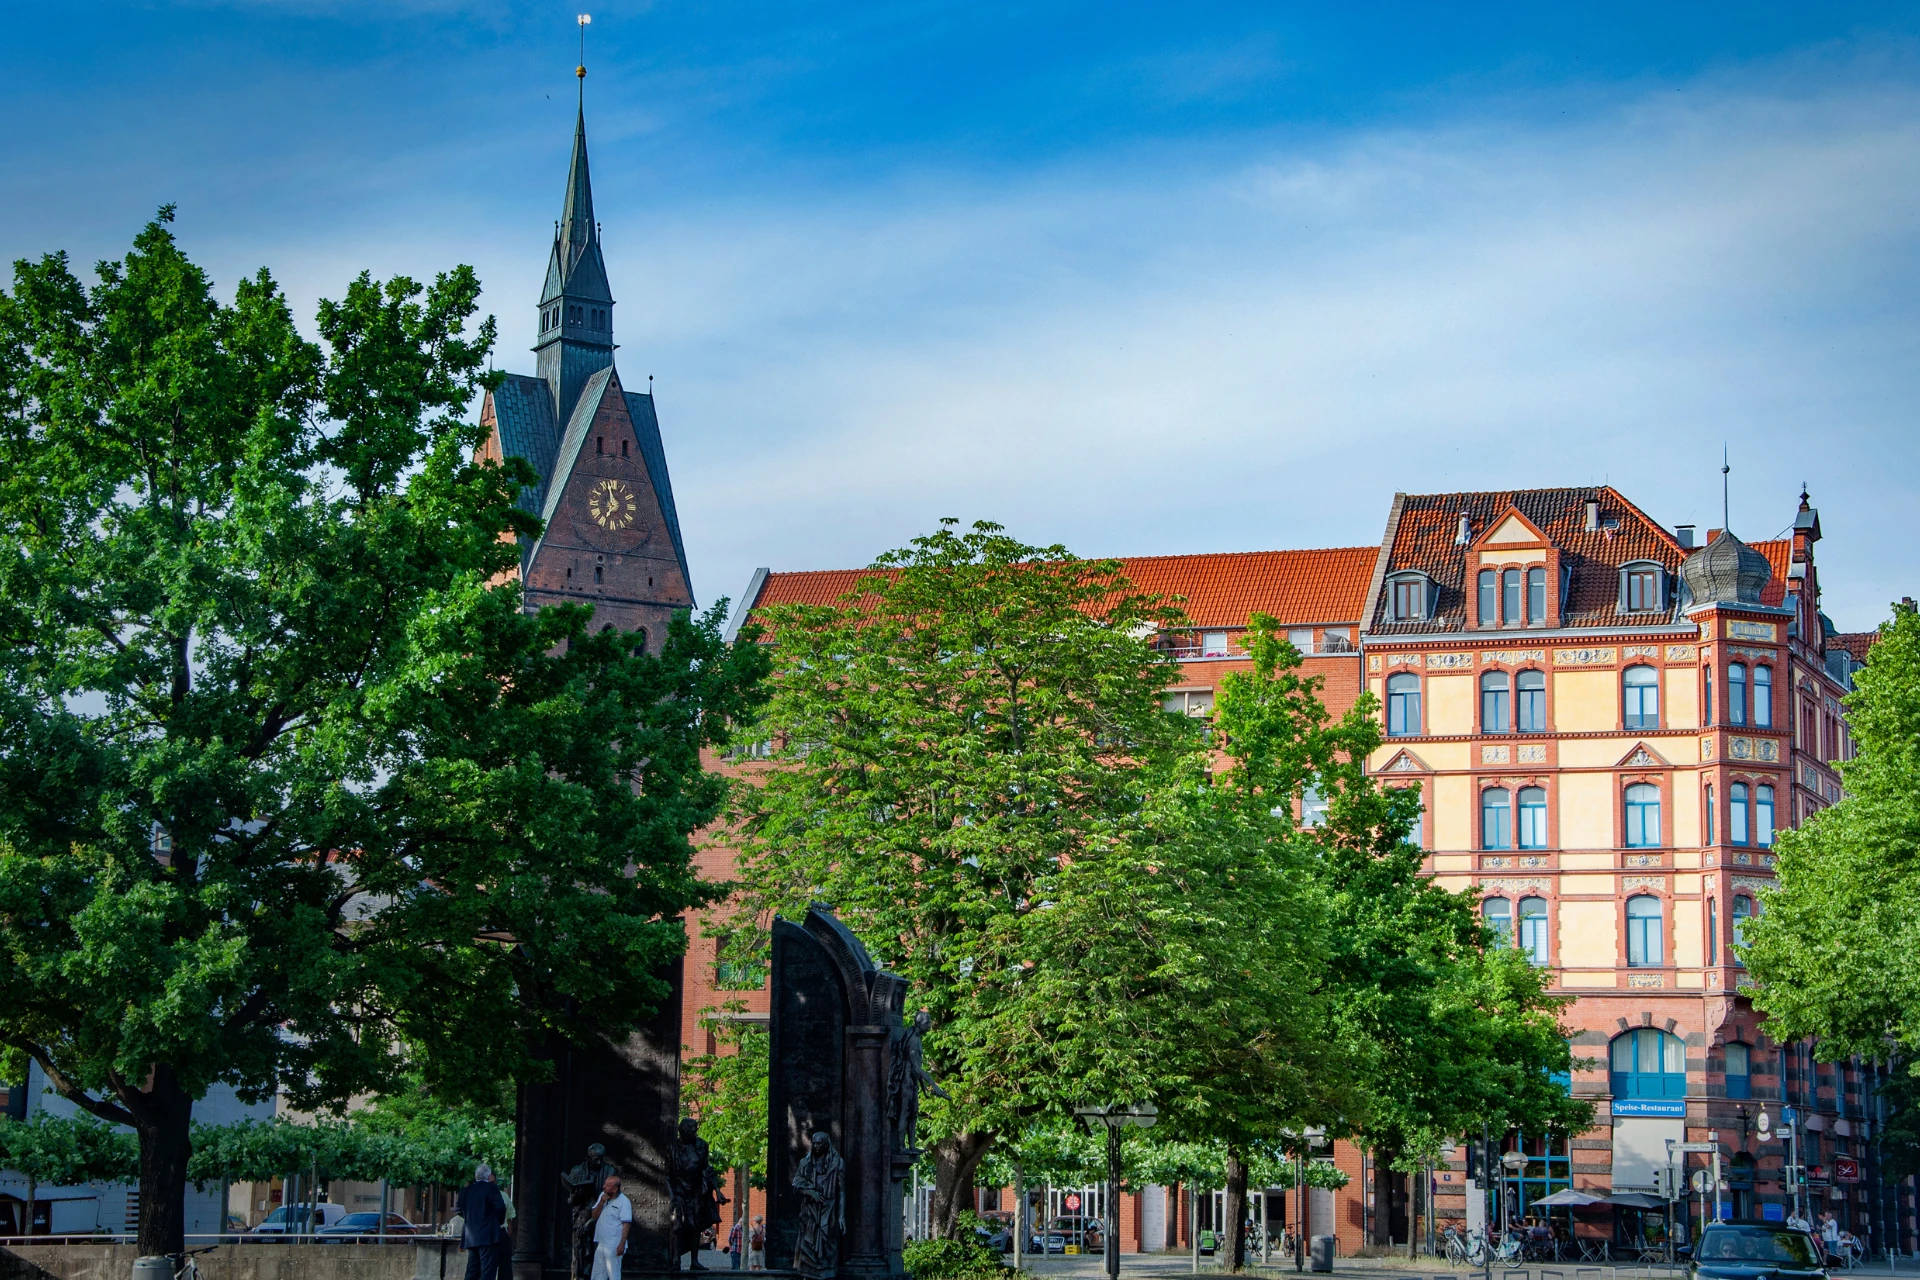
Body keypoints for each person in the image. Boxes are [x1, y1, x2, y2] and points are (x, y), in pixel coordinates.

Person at [457, 1165, 509, 1280]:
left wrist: (471, 1219)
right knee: (487, 1270)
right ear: (489, 1176)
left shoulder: (466, 1190)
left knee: (472, 1269)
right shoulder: (491, 1188)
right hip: (488, 1235)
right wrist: (497, 1221)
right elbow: (500, 1207)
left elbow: (458, 1209)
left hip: (471, 1236)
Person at [591, 1174, 634, 1280]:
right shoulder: (602, 1196)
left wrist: (622, 1244)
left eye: (607, 1185)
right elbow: (594, 1216)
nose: (604, 1186)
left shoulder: (624, 1201)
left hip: (614, 1244)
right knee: (597, 1275)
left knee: (613, 1275)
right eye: (605, 1184)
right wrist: (601, 1202)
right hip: (601, 1243)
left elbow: (626, 1224)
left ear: (615, 1189)